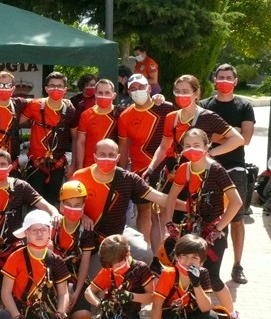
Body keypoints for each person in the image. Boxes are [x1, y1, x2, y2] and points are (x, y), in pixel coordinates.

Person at [161, 128, 243, 319]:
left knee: (212, 277)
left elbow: (236, 202)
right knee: (185, 272)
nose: (192, 149)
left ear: (208, 147)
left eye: (197, 145)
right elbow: (171, 197)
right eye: (187, 145)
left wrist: (218, 228)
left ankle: (233, 317)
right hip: (192, 231)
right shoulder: (185, 169)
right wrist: (169, 222)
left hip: (214, 233)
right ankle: (188, 312)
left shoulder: (216, 170)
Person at [0, 149, 59, 303]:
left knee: (21, 292)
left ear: (10, 168)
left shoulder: (21, 186)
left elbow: (46, 205)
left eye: (3, 164)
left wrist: (54, 212)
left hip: (15, 250)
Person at [200, 64, 255, 284]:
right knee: (205, 217)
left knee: (237, 220)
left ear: (235, 80)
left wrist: (217, 135)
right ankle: (203, 267)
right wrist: (233, 133)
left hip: (235, 169)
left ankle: (237, 265)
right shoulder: (204, 106)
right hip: (207, 168)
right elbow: (202, 136)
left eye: (228, 77)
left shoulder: (245, 105)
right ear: (214, 80)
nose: (224, 80)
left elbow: (247, 138)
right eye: (220, 77)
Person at [145, 74, 244, 195]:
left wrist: (210, 153)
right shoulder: (171, 117)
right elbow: (164, 147)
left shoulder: (208, 116)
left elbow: (238, 139)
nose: (181, 95)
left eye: (185, 91)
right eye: (177, 91)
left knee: (195, 210)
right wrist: (150, 168)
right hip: (176, 172)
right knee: (169, 209)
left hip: (200, 172)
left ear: (196, 93)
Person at [117, 74, 175, 260]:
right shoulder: (125, 116)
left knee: (164, 211)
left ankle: (163, 254)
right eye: (132, 88)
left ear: (149, 88)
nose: (136, 91)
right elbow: (123, 149)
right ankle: (147, 254)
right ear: (128, 91)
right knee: (144, 211)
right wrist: (122, 173)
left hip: (166, 168)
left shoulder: (165, 108)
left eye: (140, 87)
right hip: (140, 171)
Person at [2, 209, 71, 319]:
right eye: (34, 230)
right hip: (23, 313)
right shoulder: (16, 257)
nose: (39, 234)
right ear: (26, 232)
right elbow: (6, 292)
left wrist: (59, 316)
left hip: (48, 312)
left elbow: (63, 293)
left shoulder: (56, 260)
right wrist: (17, 318)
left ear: (50, 232)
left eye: (43, 229)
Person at [72, 139, 168, 245]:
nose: (106, 158)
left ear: (118, 157)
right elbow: (64, 206)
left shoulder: (128, 178)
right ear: (95, 157)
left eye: (111, 155)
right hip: (89, 236)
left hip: (117, 236)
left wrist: (187, 205)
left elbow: (160, 198)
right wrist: (82, 216)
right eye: (102, 154)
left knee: (144, 253)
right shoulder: (80, 176)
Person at [151, 234, 221, 319]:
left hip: (189, 314)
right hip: (169, 317)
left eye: (194, 257)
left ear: (201, 262)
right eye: (184, 256)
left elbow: (206, 307)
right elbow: (156, 306)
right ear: (177, 256)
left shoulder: (203, 273)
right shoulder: (169, 274)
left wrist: (196, 284)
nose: (188, 262)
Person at [84, 234, 154, 319]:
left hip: (129, 316)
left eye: (118, 264)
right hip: (109, 313)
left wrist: (131, 296)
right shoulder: (108, 270)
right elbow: (88, 292)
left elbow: (151, 297)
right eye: (112, 266)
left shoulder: (141, 269)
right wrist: (99, 303)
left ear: (128, 254)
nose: (115, 269)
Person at [20, 71, 79, 203]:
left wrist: (73, 164)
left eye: (59, 86)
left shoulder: (70, 110)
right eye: (52, 86)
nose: (55, 89)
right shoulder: (35, 105)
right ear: (46, 88)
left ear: (65, 89)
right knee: (34, 203)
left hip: (58, 165)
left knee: (53, 203)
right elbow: (15, 122)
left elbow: (76, 138)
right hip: (35, 164)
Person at [54, 181, 97, 319]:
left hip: (76, 278)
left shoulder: (87, 231)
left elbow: (84, 264)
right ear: (61, 206)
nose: (73, 209)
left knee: (83, 316)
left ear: (84, 206)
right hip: (54, 279)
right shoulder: (54, 225)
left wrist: (77, 293)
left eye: (78, 205)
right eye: (69, 205)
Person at [74, 78, 119, 171]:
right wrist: (79, 167)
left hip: (113, 167)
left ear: (113, 95)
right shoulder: (86, 115)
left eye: (107, 93)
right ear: (95, 94)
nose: (103, 96)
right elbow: (80, 142)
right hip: (90, 166)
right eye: (100, 93)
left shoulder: (121, 114)